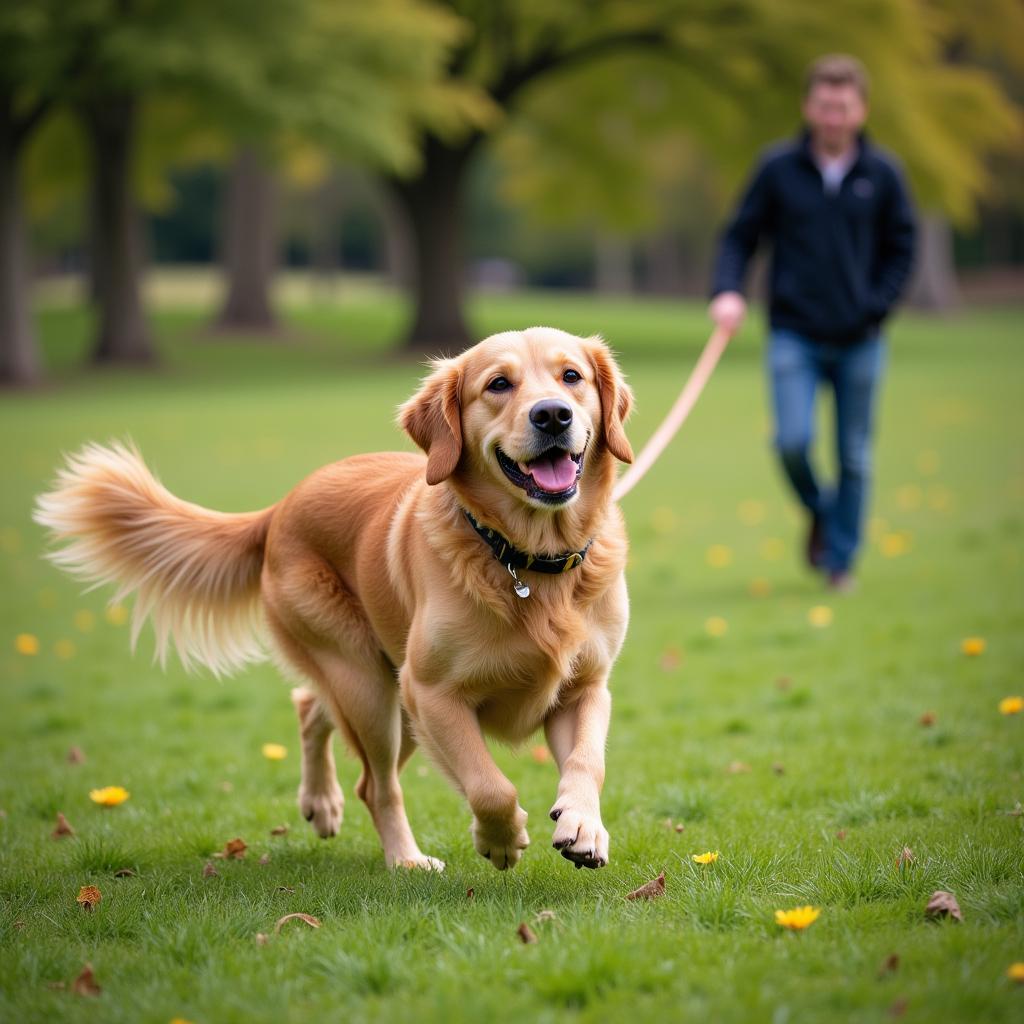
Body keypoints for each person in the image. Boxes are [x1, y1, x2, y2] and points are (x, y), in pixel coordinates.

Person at [709, 54, 916, 591]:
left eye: (843, 107)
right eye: (824, 105)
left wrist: (876, 305)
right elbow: (739, 236)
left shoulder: (883, 174)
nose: (833, 117)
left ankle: (840, 562)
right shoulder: (778, 168)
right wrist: (728, 290)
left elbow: (903, 247)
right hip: (794, 334)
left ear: (860, 110)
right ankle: (826, 514)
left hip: (861, 339)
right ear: (809, 106)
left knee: (854, 455)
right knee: (792, 442)